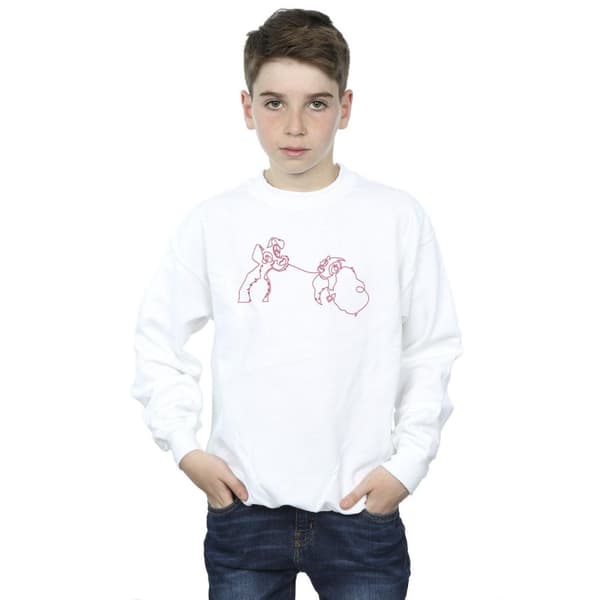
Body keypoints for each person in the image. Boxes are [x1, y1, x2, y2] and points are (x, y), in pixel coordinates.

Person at [131, 8, 464, 599]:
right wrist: (186, 449)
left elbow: (430, 348)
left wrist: (407, 465)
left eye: (316, 103)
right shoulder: (215, 222)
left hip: (360, 510)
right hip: (245, 511)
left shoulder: (395, 217)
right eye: (273, 102)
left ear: (345, 107)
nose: (294, 125)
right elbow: (159, 340)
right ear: (246, 107)